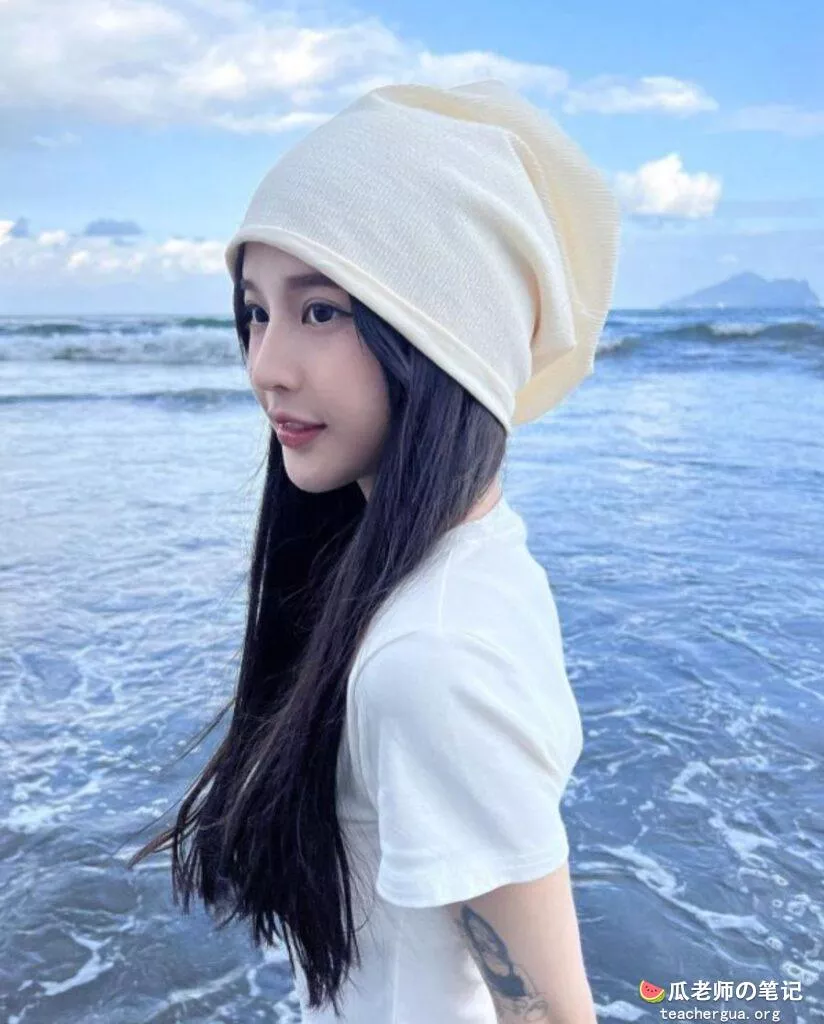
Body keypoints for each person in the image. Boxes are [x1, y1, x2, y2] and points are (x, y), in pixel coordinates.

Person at [127, 79, 620, 1022]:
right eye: (256, 312)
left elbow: (554, 1014)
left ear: (443, 337)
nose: (265, 365)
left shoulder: (431, 659)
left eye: (321, 311)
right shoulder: (475, 557)